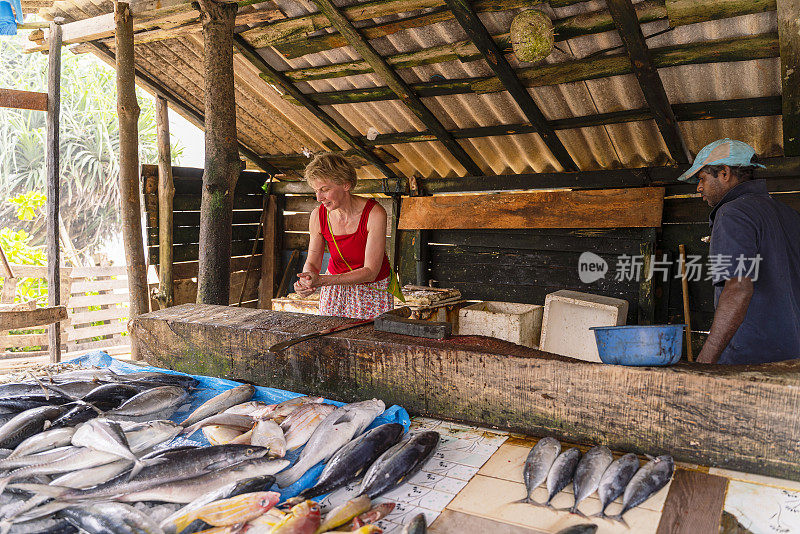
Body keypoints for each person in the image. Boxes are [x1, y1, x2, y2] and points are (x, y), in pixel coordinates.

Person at [678, 138, 800, 364]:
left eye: (702, 178)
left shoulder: (731, 213)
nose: (699, 187)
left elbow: (739, 288)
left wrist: (704, 364)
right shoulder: (789, 215)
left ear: (724, 173)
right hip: (793, 361)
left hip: (753, 364)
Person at [293, 153, 394, 319]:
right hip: (334, 290)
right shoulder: (318, 216)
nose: (319, 198)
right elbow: (312, 260)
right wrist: (307, 280)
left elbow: (371, 272)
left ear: (346, 185)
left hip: (372, 289)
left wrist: (322, 281)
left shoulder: (374, 213)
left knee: (368, 342)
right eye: (316, 191)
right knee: (332, 339)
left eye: (325, 190)